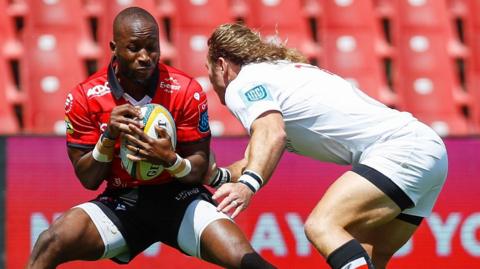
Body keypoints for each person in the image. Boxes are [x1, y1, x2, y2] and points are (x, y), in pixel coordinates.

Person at [26, 9, 276, 269]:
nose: (144, 57)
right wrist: (108, 137)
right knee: (50, 242)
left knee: (247, 261)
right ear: (114, 48)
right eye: (134, 48)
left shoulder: (185, 90)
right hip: (122, 201)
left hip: (181, 197)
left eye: (151, 48)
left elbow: (199, 168)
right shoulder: (84, 97)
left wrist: (169, 159)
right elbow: (88, 179)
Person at [205, 23, 448, 269]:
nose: (212, 84)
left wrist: (247, 186)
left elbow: (273, 133)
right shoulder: (275, 74)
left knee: (322, 225)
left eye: (208, 71)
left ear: (222, 65)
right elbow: (255, 159)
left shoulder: (242, 83)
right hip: (428, 149)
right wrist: (217, 176)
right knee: (367, 252)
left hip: (400, 149)